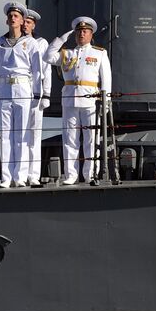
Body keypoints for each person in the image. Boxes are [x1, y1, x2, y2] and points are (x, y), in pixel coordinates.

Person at [45, 16, 112, 185]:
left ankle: (90, 174)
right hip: (69, 100)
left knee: (91, 139)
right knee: (70, 139)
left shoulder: (99, 53)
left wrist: (106, 100)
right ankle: (71, 175)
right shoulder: (67, 53)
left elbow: (106, 79)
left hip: (90, 100)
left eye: (85, 31)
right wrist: (61, 39)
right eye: (79, 31)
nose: (82, 34)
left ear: (91, 34)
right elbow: (47, 56)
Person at [0, 2, 41, 187]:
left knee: (22, 134)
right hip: (3, 88)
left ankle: (20, 176)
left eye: (16, 16)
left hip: (23, 86)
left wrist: (38, 94)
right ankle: (7, 176)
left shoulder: (31, 43)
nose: (12, 18)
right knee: (6, 134)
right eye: (10, 15)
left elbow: (37, 70)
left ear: (22, 20)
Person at [24, 8, 49, 185]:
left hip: (36, 94)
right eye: (23, 21)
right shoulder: (11, 43)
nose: (25, 25)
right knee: (19, 135)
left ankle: (33, 174)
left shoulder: (41, 43)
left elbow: (46, 70)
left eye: (28, 22)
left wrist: (46, 93)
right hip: (19, 92)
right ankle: (20, 173)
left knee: (34, 135)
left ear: (33, 25)